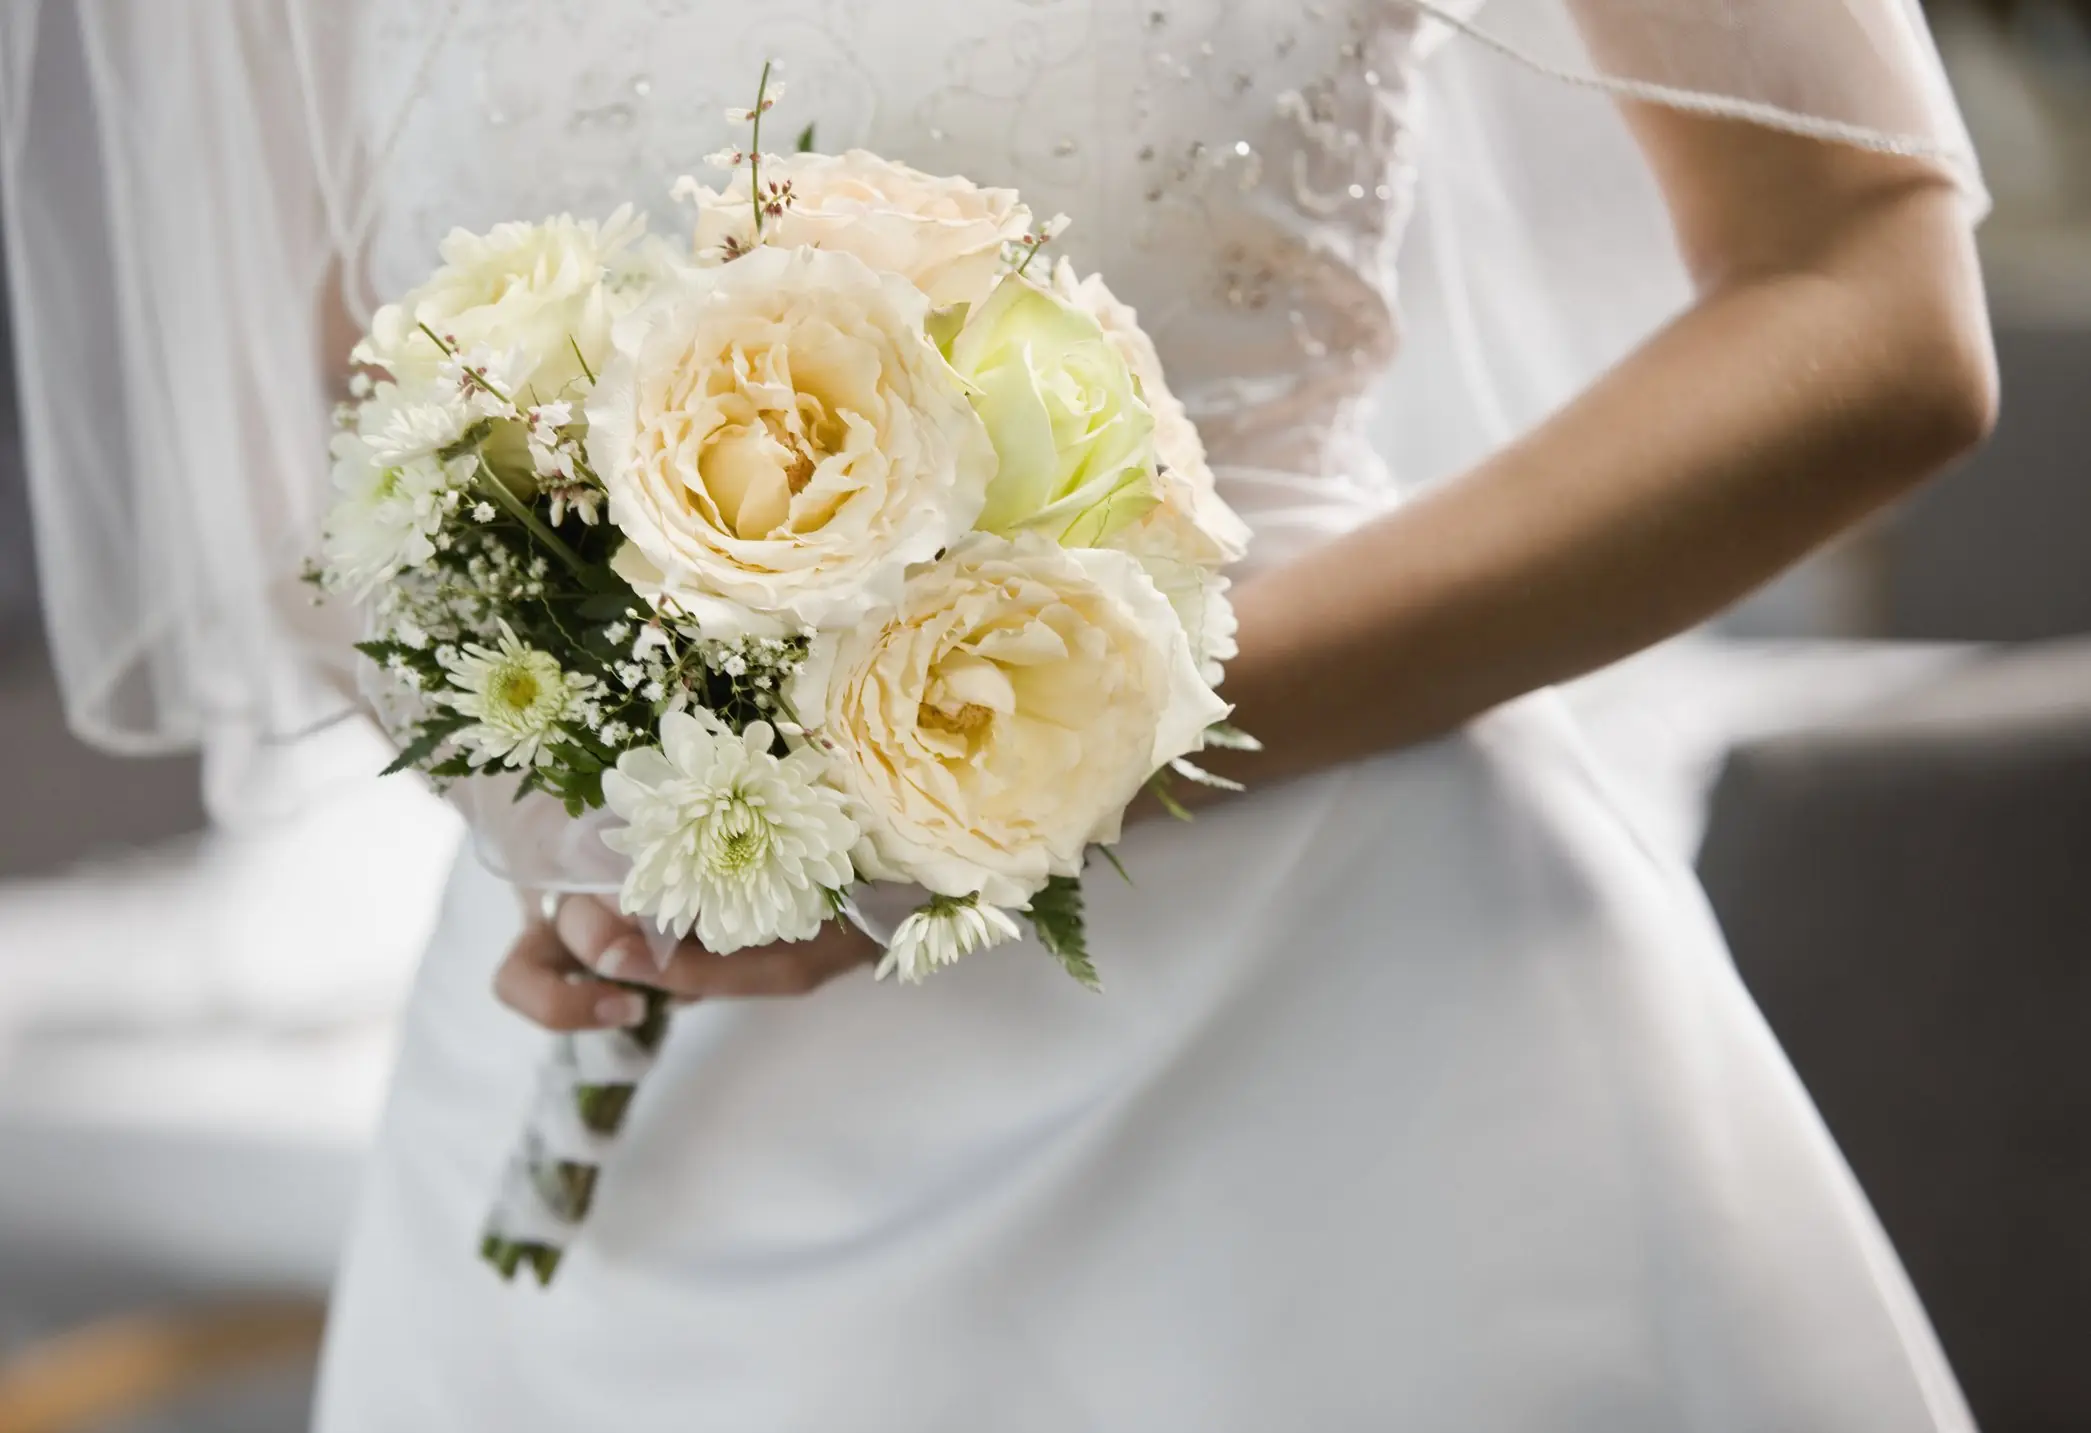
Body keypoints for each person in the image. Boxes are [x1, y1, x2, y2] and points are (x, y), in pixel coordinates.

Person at [2, 2, 1994, 1427]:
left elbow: (1869, 308)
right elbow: (321, 435)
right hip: (627, 1125)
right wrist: (566, 797)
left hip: (1343, 1060)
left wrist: (1057, 743)